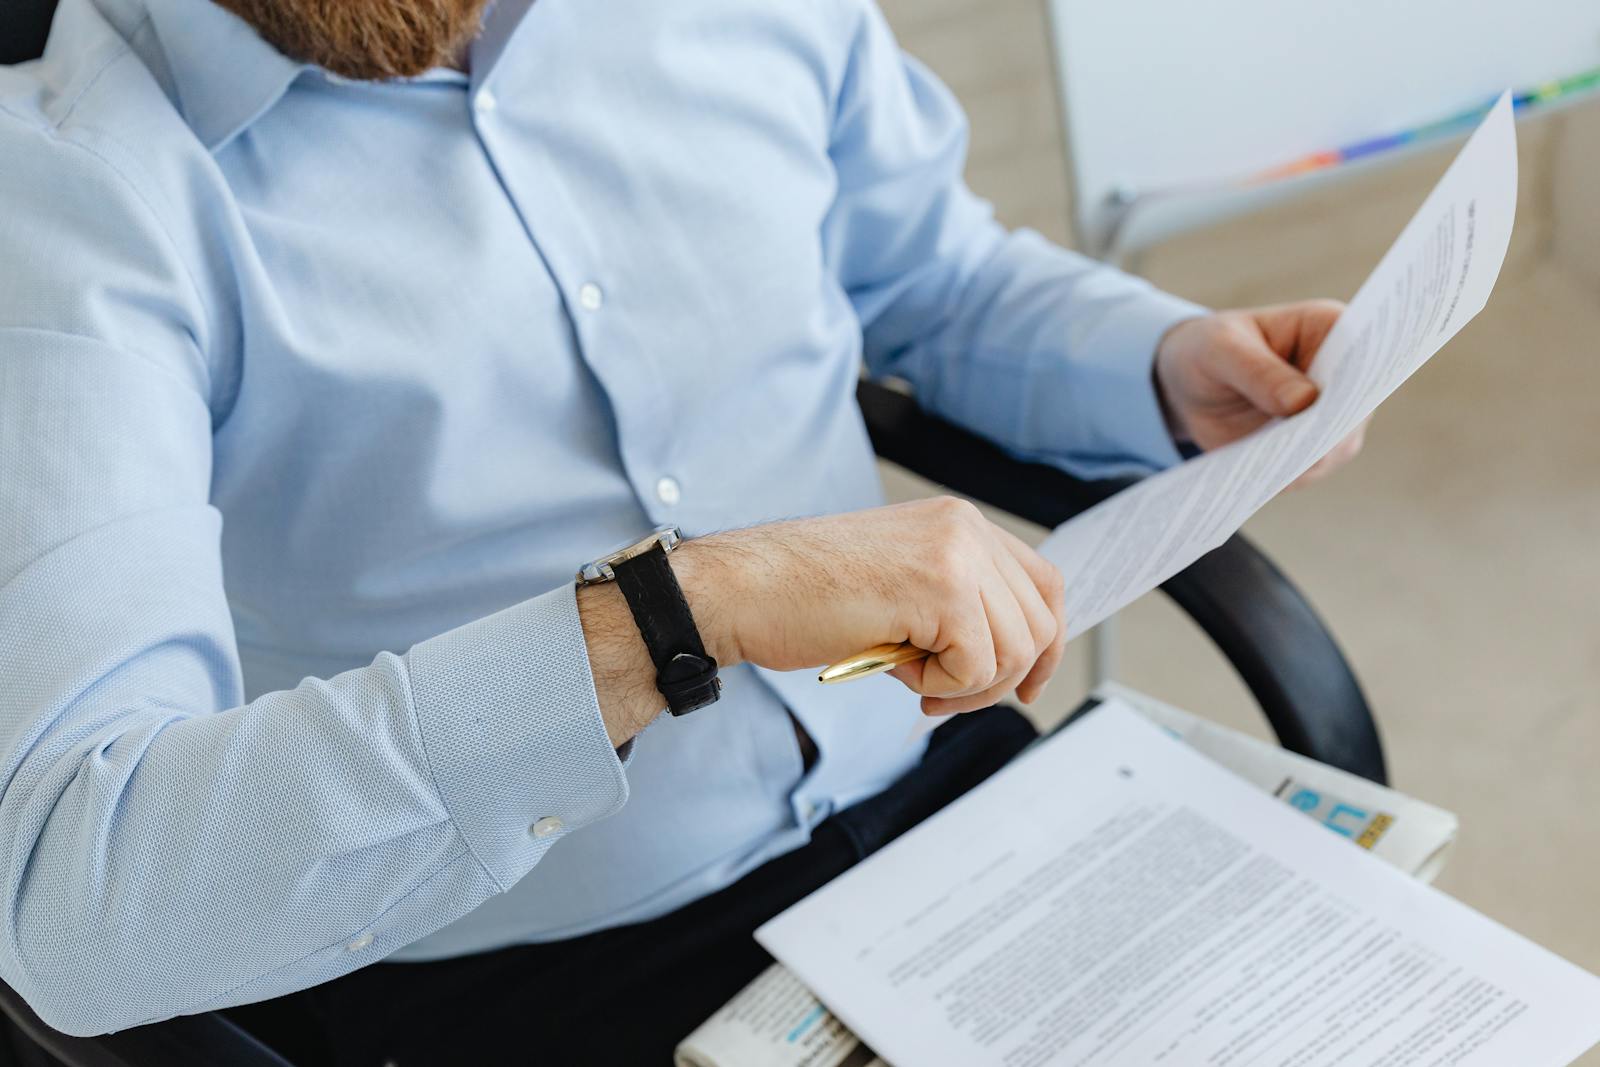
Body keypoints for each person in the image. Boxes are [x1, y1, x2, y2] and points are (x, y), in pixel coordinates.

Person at [0, 0, 1366, 1060]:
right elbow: (80, 897)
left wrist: (1160, 361)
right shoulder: (66, 196)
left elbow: (928, 273)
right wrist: (670, 620)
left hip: (948, 798)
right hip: (544, 966)